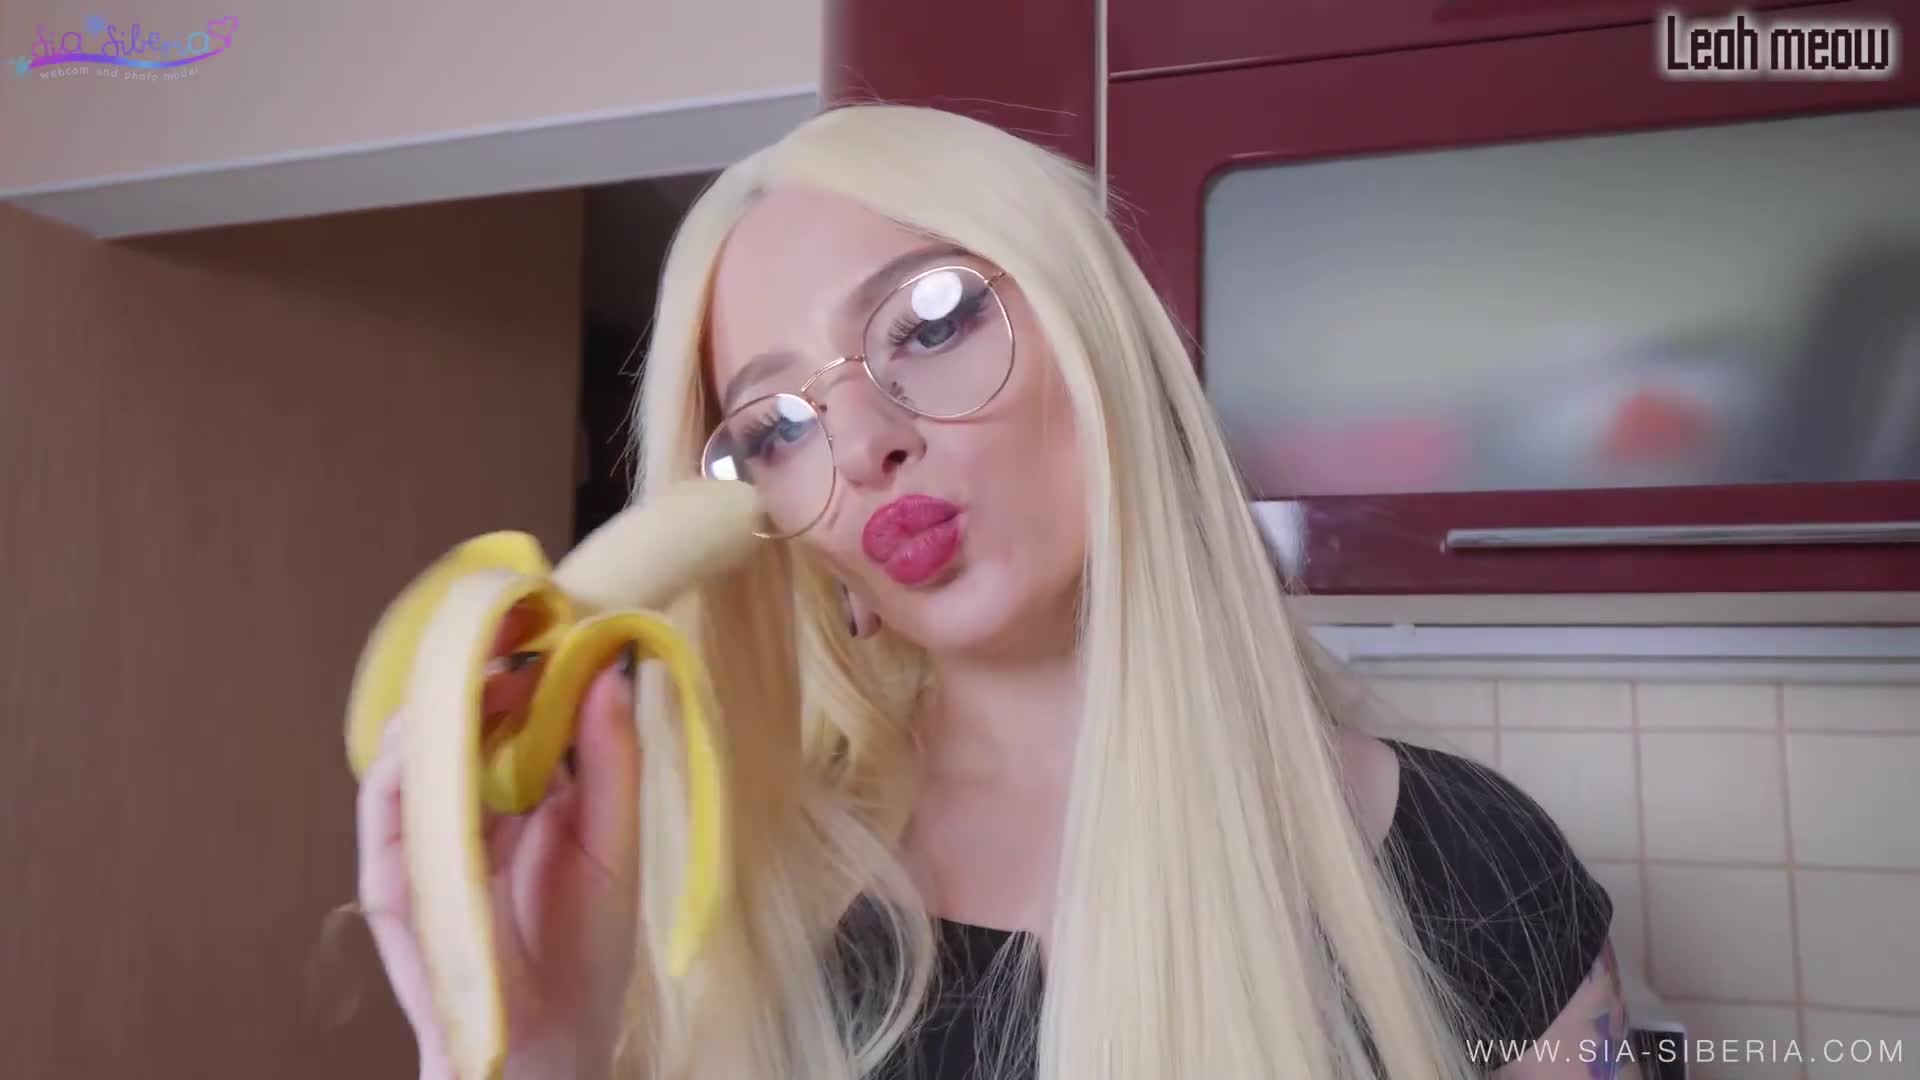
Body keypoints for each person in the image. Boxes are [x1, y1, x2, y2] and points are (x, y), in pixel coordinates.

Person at [357, 103, 1632, 1080]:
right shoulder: (730, 908)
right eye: (777, 427)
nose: (865, 444)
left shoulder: (1477, 864)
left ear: (1100, 340)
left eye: (928, 321)